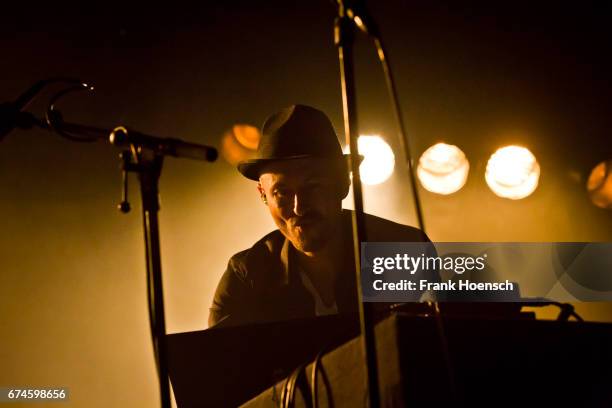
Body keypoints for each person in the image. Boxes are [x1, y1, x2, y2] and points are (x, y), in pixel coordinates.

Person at [208, 104, 432, 327]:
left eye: (313, 187)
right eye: (281, 192)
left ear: (343, 184)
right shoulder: (246, 276)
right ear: (263, 194)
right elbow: (218, 359)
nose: (298, 207)